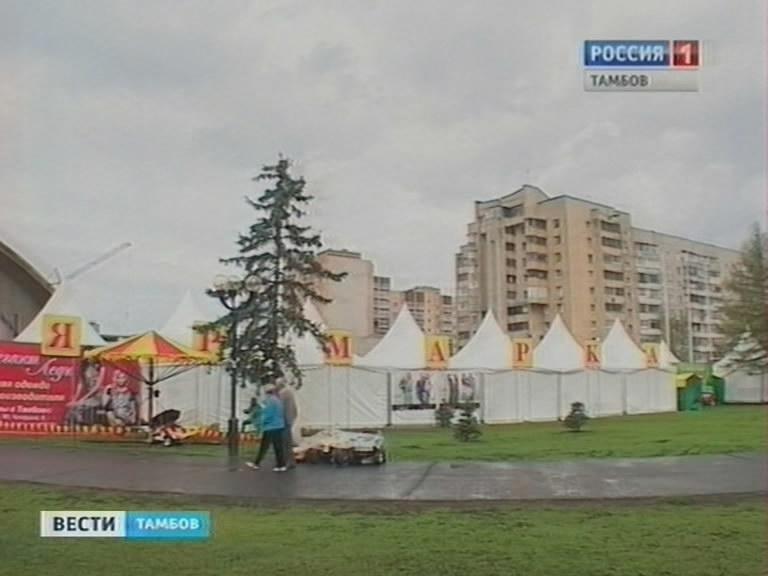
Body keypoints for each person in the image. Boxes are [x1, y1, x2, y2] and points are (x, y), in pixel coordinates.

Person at [246, 384, 287, 472]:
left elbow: (268, 414)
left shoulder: (270, 401)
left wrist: (262, 422)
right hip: (279, 425)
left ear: (266, 392)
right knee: (278, 447)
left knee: (264, 446)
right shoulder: (278, 400)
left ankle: (256, 463)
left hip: (270, 426)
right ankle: (281, 465)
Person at [276, 378, 298, 469]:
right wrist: (293, 418)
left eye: (277, 384)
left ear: (280, 385)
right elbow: (295, 408)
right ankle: (291, 462)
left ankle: (286, 462)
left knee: (284, 443)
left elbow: (279, 408)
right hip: (289, 419)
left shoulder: (282, 393)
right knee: (288, 442)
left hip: (283, 420)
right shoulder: (290, 392)